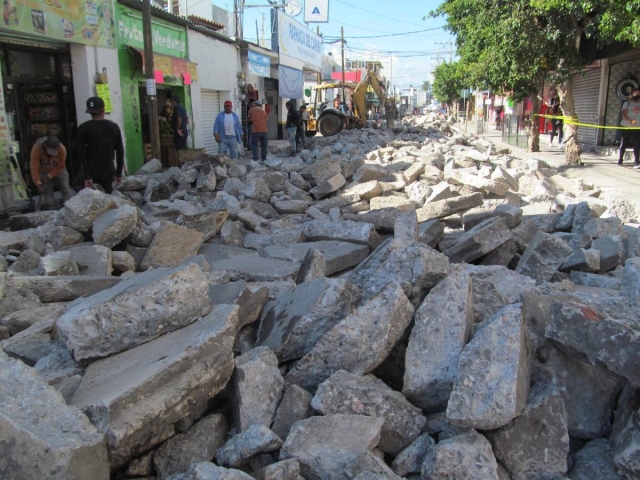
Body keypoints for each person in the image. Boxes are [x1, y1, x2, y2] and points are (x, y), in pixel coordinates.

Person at [77, 96, 124, 194]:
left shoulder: (83, 128)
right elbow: (120, 151)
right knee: (107, 198)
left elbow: (82, 154)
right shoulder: (113, 127)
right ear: (103, 110)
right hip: (108, 171)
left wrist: (87, 175)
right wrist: (119, 173)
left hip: (91, 171)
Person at [30, 135, 74, 208]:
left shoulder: (62, 149)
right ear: (45, 145)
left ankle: (71, 206)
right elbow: (34, 167)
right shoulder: (37, 148)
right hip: (43, 170)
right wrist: (37, 183)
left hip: (59, 169)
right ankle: (51, 207)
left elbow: (60, 165)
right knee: (46, 190)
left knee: (65, 187)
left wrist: (49, 175)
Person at [619, 87, 640, 168]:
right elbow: (623, 114)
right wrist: (630, 121)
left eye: (639, 94)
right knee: (624, 142)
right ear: (632, 95)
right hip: (626, 126)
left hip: (637, 127)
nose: (637, 95)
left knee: (636, 144)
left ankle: (636, 162)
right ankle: (620, 160)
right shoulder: (627, 103)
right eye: (635, 94)